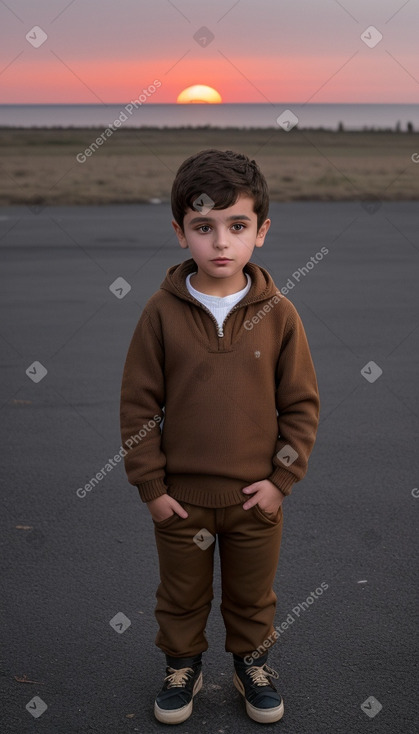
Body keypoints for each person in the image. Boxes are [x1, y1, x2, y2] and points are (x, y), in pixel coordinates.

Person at [120, 148, 320, 725]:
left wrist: (282, 480)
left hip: (256, 499)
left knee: (253, 596)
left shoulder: (280, 314)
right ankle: (182, 665)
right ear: (181, 232)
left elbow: (301, 405)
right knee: (181, 595)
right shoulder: (160, 313)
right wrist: (152, 488)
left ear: (262, 231)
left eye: (238, 226)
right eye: (204, 227)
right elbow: (138, 406)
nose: (221, 243)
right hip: (180, 502)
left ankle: (251, 664)